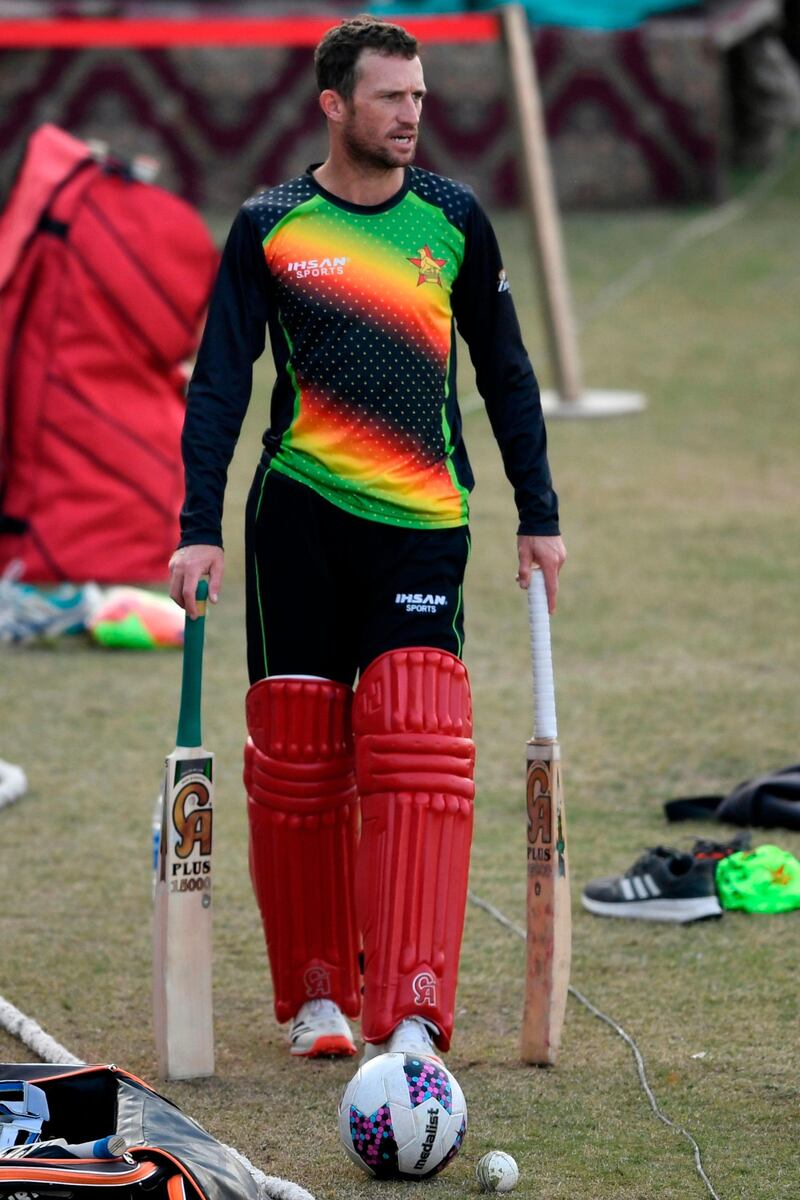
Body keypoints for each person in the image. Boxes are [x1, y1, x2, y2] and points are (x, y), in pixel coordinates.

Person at [169, 15, 566, 1062]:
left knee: (418, 754)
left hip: (423, 524)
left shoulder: (452, 220)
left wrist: (539, 515)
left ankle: (415, 1004)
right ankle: (316, 994)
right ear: (334, 104)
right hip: (296, 517)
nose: (411, 116)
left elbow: (505, 371)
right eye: (391, 97)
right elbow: (219, 385)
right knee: (300, 763)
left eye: (420, 96)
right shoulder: (270, 226)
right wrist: (195, 529)